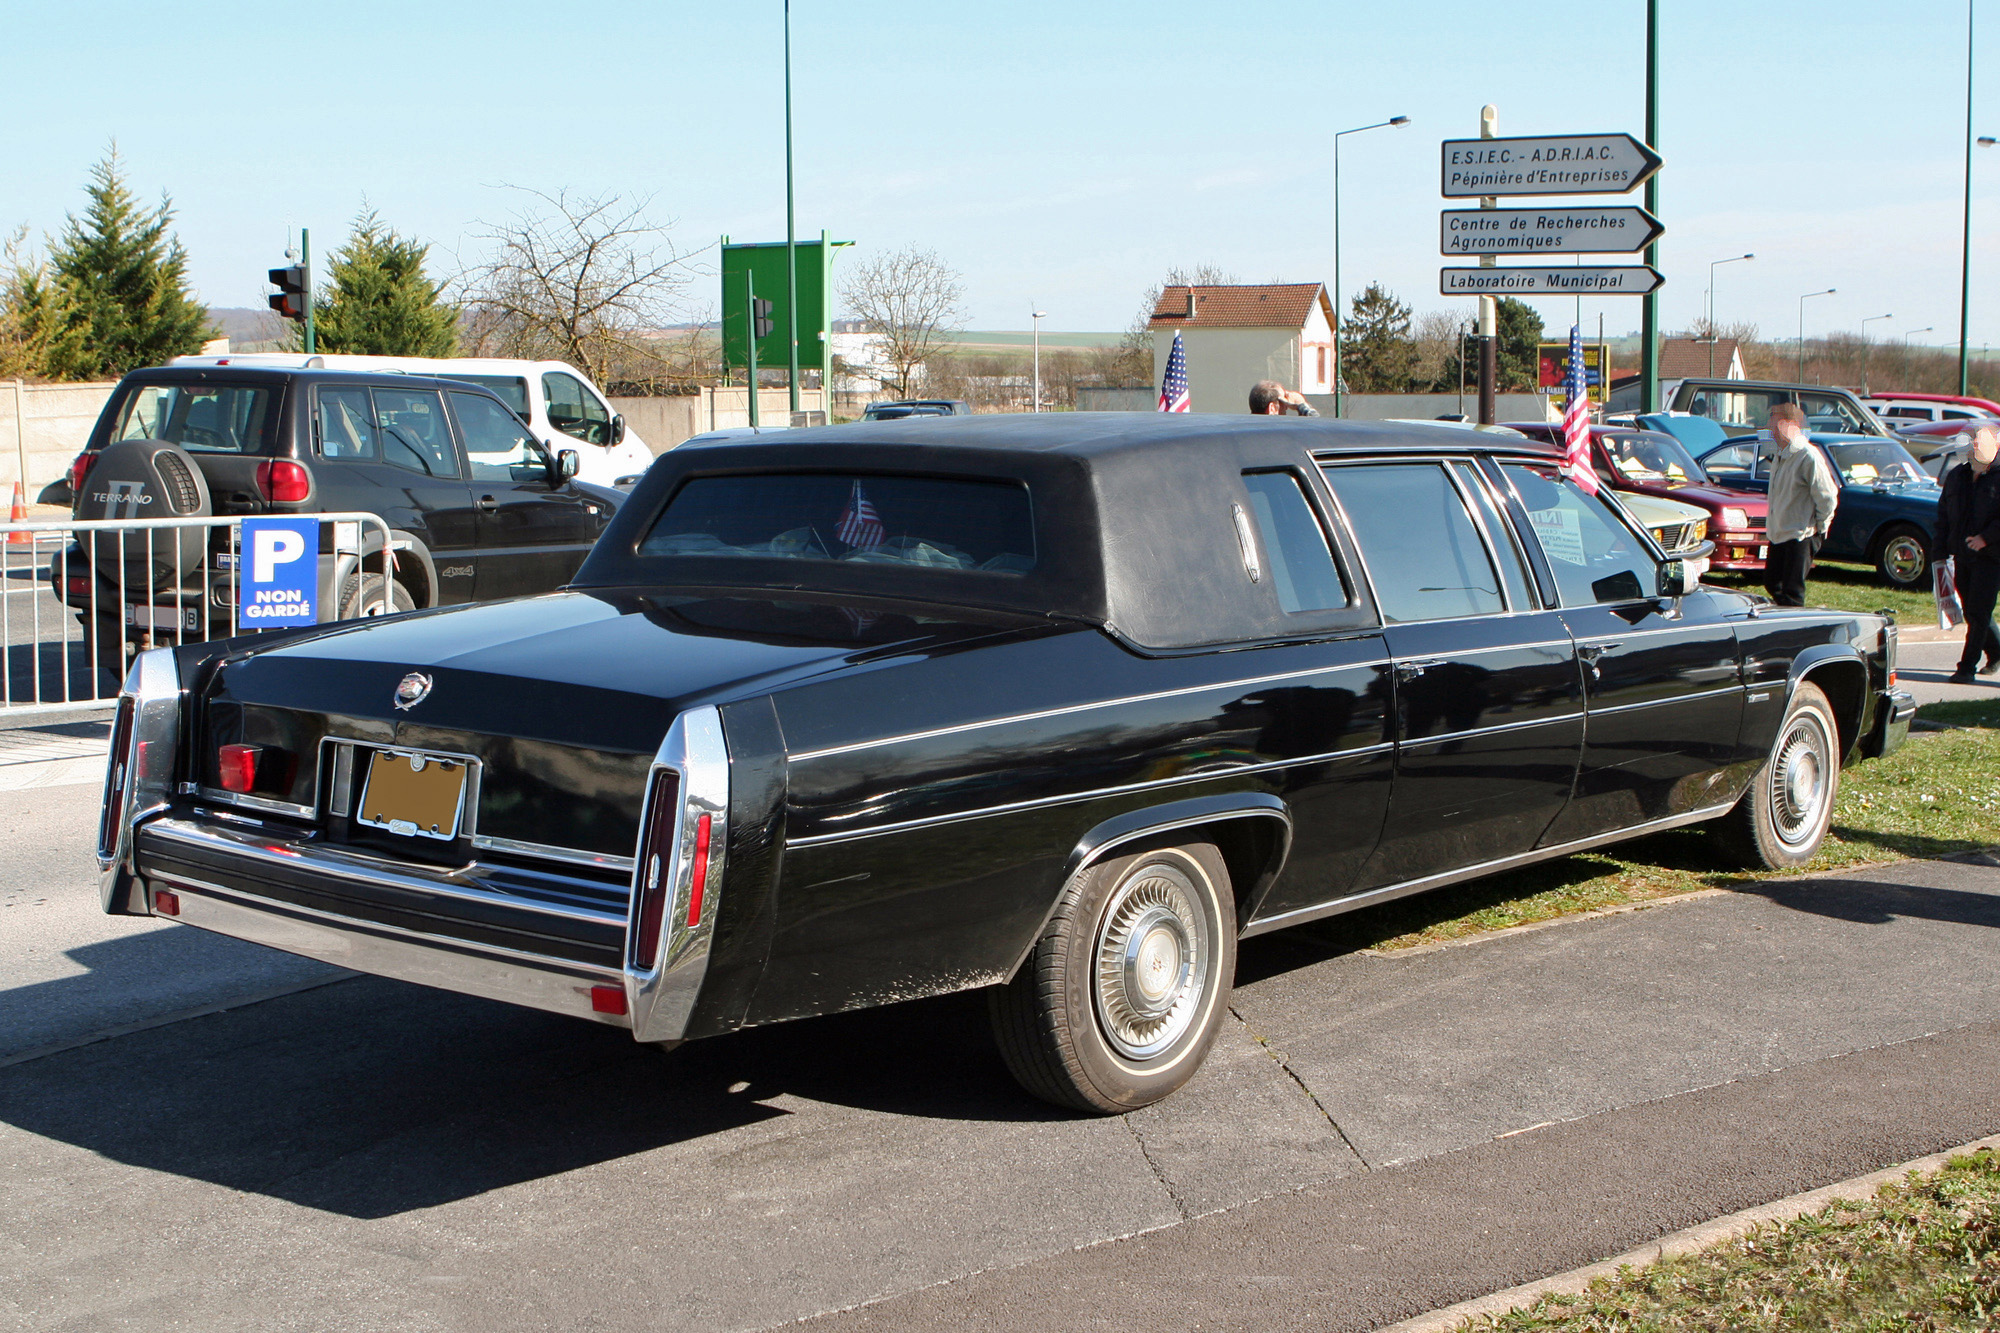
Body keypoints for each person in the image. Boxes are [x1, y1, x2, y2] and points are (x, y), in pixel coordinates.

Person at [1933, 423, 2000, 684]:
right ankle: (1996, 652)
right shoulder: (1957, 476)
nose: (1972, 446)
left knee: (1979, 611)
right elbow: (1943, 516)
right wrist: (1938, 552)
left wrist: (1987, 538)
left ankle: (1966, 667)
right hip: (1962, 554)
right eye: (1969, 441)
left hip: (1993, 556)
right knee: (1973, 611)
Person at [1762, 403, 1839, 607]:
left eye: (1775, 423)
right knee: (1772, 583)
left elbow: (1828, 496)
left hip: (1800, 535)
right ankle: (1783, 620)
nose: (1770, 428)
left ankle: (1793, 630)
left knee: (1792, 592)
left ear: (1791, 424)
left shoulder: (1808, 456)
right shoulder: (1780, 455)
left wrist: (1820, 528)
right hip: (1779, 534)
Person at [1249, 381, 1319, 416]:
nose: (1286, 407)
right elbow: (1317, 428)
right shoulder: (1280, 436)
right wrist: (1301, 405)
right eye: (1283, 401)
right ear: (1272, 408)